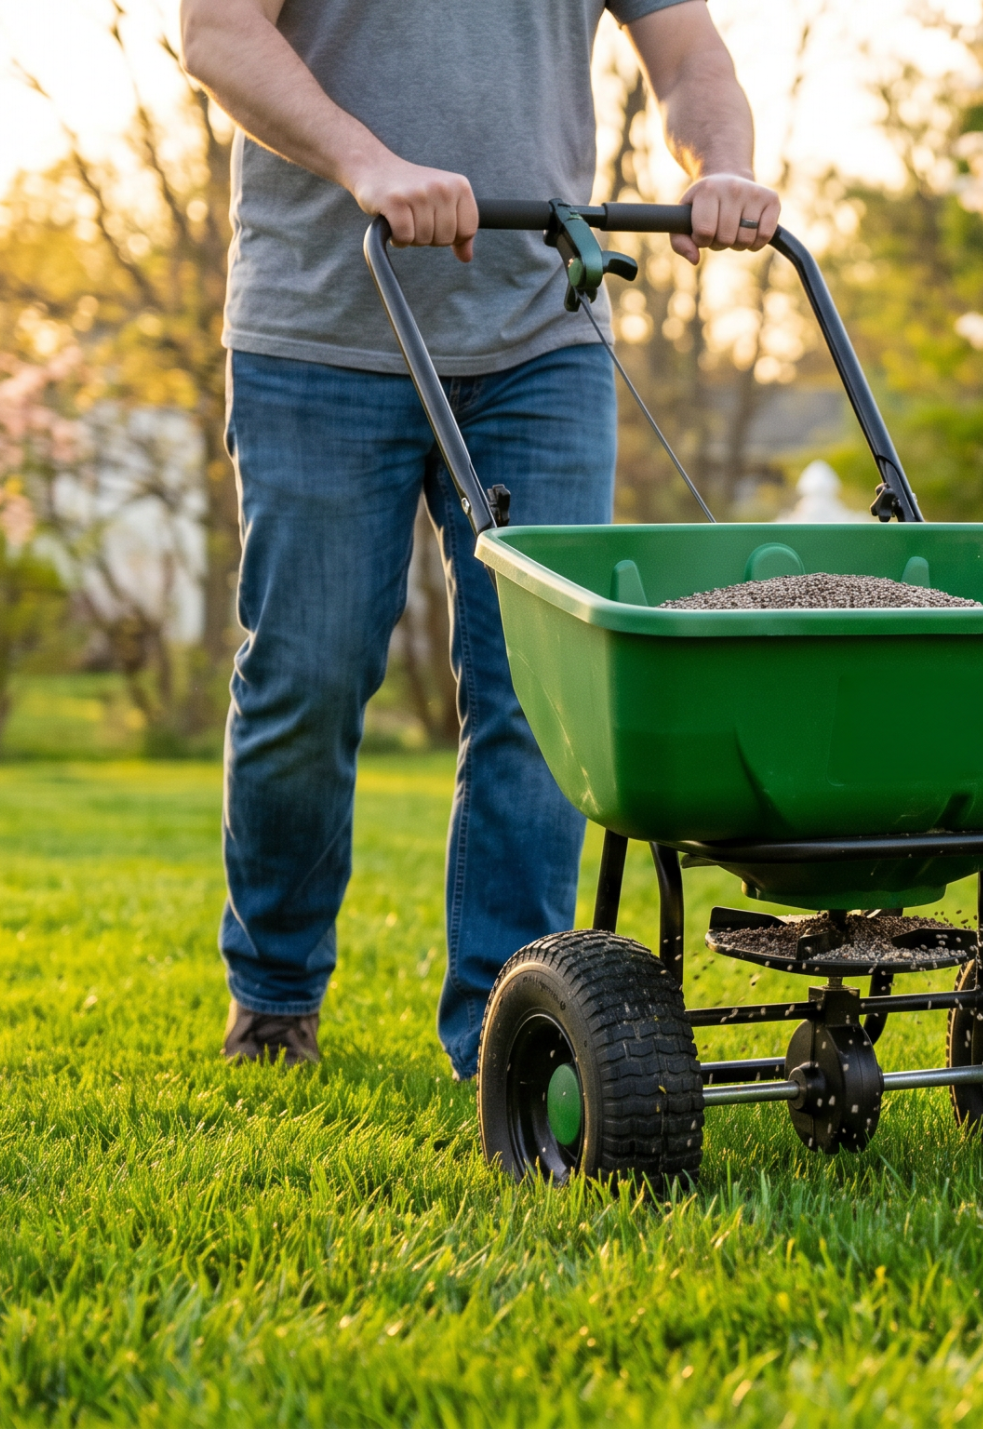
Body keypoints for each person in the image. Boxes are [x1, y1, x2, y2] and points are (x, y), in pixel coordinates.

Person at [178, 0, 780, 1073]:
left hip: (539, 334)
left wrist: (720, 164)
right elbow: (217, 31)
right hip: (319, 327)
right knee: (307, 675)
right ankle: (273, 991)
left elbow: (688, 53)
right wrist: (370, 164)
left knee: (540, 691)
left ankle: (511, 1027)